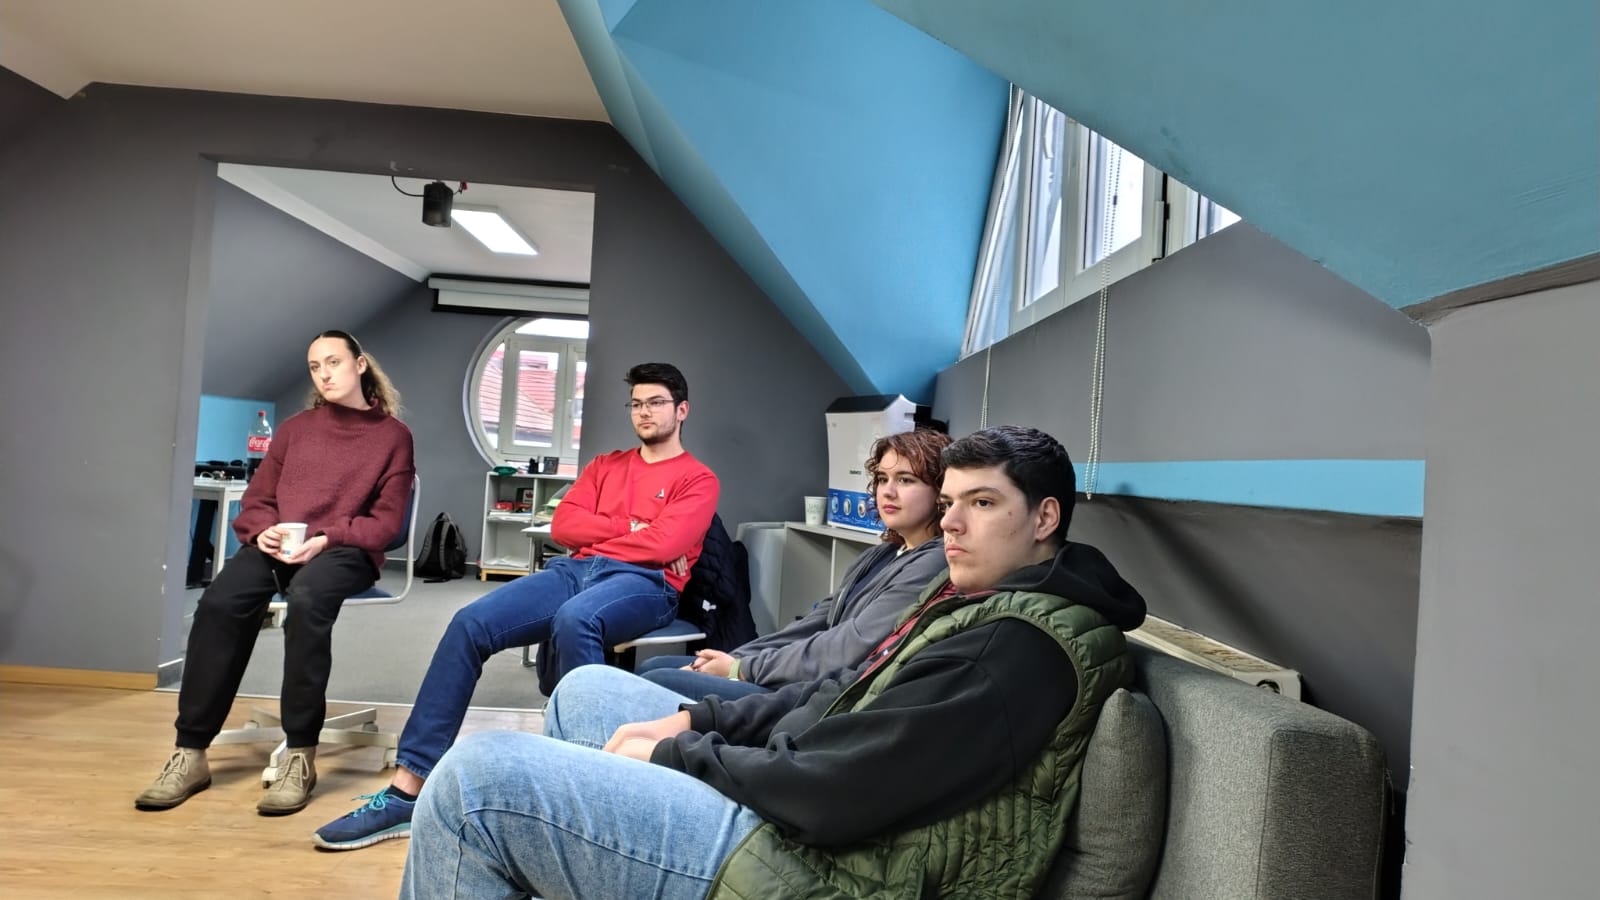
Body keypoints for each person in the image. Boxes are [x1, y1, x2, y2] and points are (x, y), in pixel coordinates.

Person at [400, 425, 1148, 900]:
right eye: (949, 501)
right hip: (808, 819)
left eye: (980, 503)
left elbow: (835, 790)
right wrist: (699, 718)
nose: (951, 521)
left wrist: (686, 752)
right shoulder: (983, 601)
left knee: (475, 782)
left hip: (825, 871)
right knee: (590, 689)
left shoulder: (1012, 647)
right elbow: (842, 696)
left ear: (1045, 516)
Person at [312, 362, 719, 850]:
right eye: (636, 404)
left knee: (577, 619)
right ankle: (407, 791)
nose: (644, 412)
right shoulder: (605, 465)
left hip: (648, 584)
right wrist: (633, 529)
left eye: (655, 403)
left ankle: (592, 791)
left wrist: (618, 535)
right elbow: (564, 526)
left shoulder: (698, 479)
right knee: (469, 623)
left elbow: (665, 545)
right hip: (575, 569)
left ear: (681, 410)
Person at [135, 330, 415, 816]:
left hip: (342, 548)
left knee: (307, 599)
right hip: (279, 543)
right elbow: (258, 498)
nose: (324, 374)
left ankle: (300, 755)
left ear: (360, 365)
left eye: (334, 362)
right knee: (219, 602)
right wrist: (262, 530)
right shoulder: (294, 430)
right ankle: (191, 752)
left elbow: (387, 524)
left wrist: (327, 537)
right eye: (315, 366)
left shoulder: (393, 437)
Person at [636, 428, 952, 702]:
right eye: (882, 479)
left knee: (656, 680)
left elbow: (850, 645)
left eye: (905, 480)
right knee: (654, 666)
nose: (888, 491)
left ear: (941, 492)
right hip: (798, 673)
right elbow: (814, 623)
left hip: (817, 695)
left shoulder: (933, 562)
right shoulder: (881, 554)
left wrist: (742, 669)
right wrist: (735, 658)